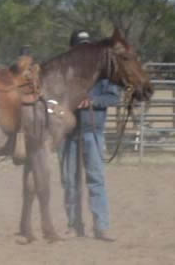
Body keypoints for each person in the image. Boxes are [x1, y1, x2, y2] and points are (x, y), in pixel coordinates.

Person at [59, 30, 121, 242]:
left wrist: (92, 101)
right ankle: (73, 225)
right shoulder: (63, 72)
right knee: (69, 181)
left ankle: (101, 226)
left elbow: (113, 97)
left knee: (95, 178)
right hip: (68, 133)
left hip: (92, 132)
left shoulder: (104, 74)